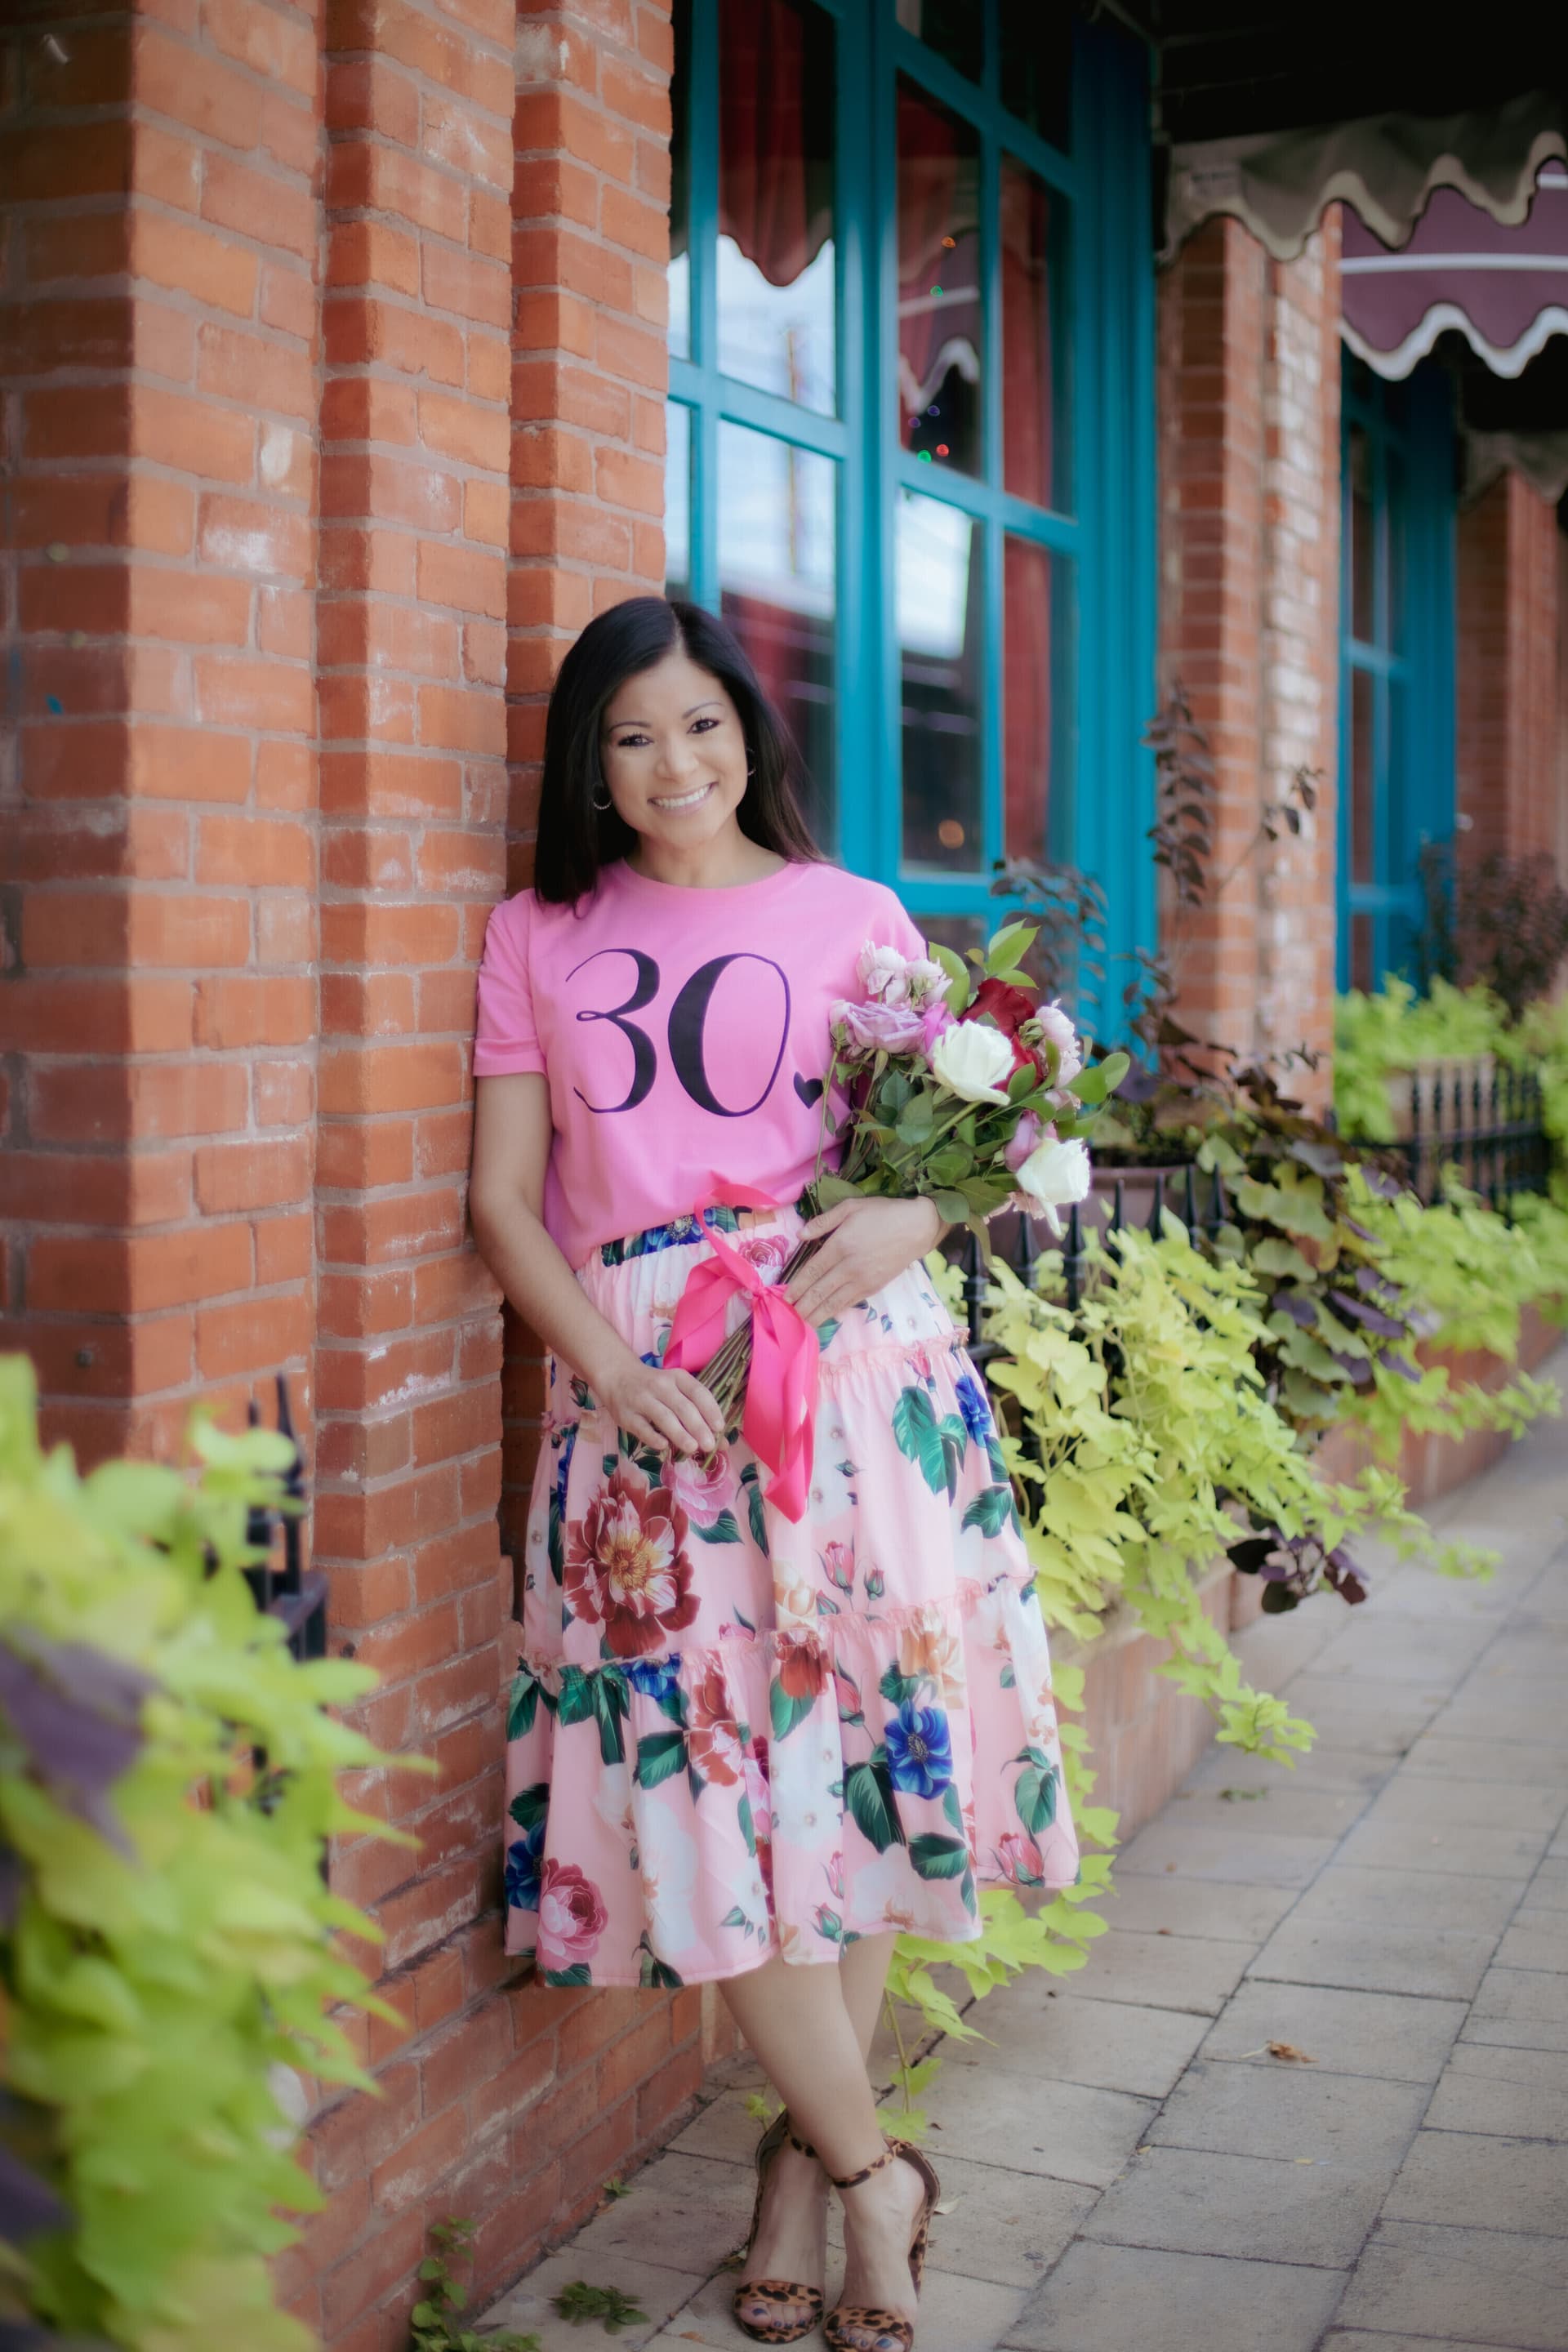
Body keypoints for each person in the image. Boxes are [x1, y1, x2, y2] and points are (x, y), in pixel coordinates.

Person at [470, 596, 1077, 2351]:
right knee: (705, 1785)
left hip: (852, 1367)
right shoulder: (537, 933)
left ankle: (812, 2173)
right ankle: (875, 2169)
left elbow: (979, 1137)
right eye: (632, 737)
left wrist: (919, 1209)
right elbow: (507, 1200)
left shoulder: (853, 914)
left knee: (850, 1772)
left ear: (755, 732)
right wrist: (609, 1370)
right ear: (590, 762)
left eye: (703, 726)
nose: (674, 766)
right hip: (648, 1398)